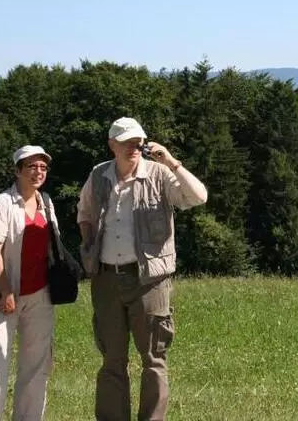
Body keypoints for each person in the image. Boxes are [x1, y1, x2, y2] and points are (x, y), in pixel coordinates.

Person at [77, 117, 208, 421]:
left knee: (154, 358)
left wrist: (172, 161)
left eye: (138, 141)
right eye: (127, 142)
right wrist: (88, 246)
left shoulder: (160, 175)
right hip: (107, 277)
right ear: (112, 145)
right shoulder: (98, 176)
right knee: (112, 359)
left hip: (150, 280)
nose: (135, 147)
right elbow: (83, 212)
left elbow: (198, 197)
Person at [0, 145, 65, 421]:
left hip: (40, 295)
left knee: (36, 368)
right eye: (31, 166)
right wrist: (5, 289)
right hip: (2, 295)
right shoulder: (2, 203)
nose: (38, 172)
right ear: (17, 170)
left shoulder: (47, 202)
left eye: (43, 167)